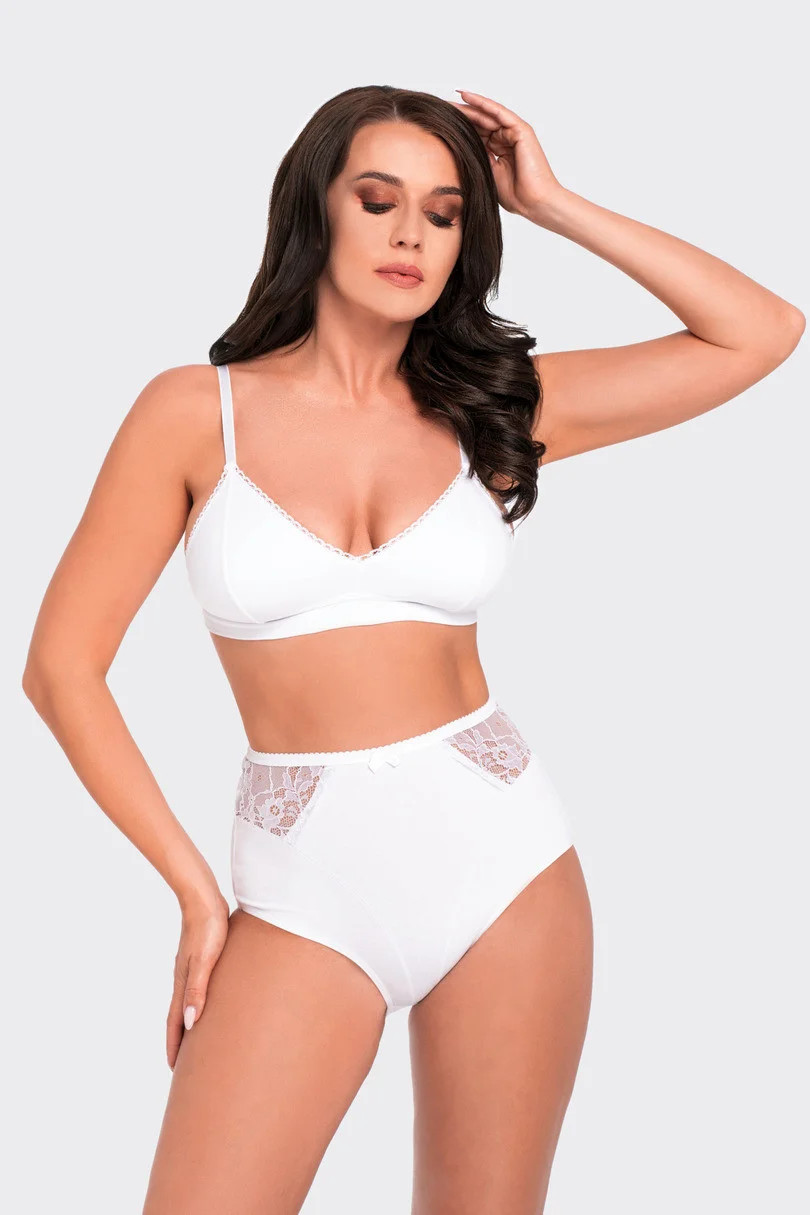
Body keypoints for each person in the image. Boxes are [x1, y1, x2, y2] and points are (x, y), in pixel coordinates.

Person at [22, 84, 804, 1214]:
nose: (410, 236)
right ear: (315, 209)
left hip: (506, 862)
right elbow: (61, 669)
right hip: (301, 881)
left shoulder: (497, 409)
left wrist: (553, 202)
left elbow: (761, 330)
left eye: (444, 213)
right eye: (378, 200)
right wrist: (194, 892)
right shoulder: (194, 413)